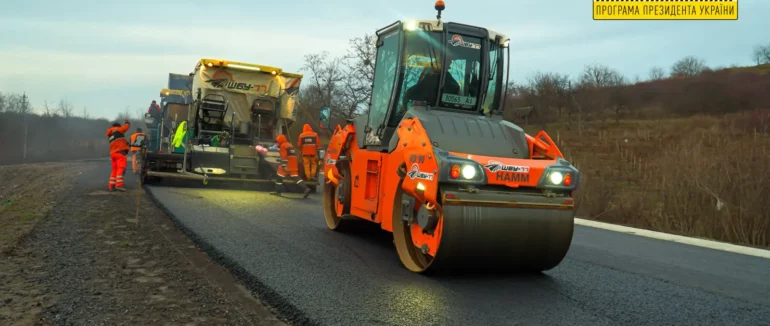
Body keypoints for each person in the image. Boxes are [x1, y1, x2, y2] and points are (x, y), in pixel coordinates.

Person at [106, 119, 131, 191]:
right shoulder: (118, 129)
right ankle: (119, 185)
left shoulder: (110, 134)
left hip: (113, 154)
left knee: (114, 170)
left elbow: (119, 141)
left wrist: (126, 144)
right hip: (120, 153)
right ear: (117, 126)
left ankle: (111, 186)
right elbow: (126, 127)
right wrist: (127, 122)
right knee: (121, 168)